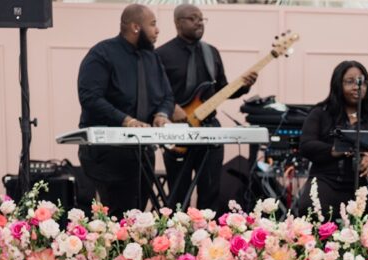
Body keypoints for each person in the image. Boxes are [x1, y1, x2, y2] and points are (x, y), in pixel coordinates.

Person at [157, 3, 258, 212]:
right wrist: (170, 108)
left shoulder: (211, 52)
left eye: (202, 18)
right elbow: (154, 92)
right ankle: (176, 241)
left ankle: (208, 239)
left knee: (210, 192)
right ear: (177, 22)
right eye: (193, 18)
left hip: (210, 129)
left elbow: (221, 90)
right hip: (178, 131)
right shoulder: (161, 54)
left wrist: (244, 86)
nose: (199, 22)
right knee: (178, 195)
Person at [77, 4, 174, 218]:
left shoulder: (153, 58)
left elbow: (167, 96)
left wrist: (162, 114)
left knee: (138, 217)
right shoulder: (102, 54)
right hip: (108, 153)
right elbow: (90, 98)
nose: (157, 30)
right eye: (153, 24)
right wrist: (126, 120)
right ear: (135, 27)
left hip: (142, 154)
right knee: (117, 216)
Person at [297, 61, 368, 217]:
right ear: (337, 84)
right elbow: (307, 145)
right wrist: (333, 151)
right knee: (311, 208)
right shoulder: (321, 112)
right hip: (330, 181)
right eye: (349, 82)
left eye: (361, 82)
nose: (357, 87)